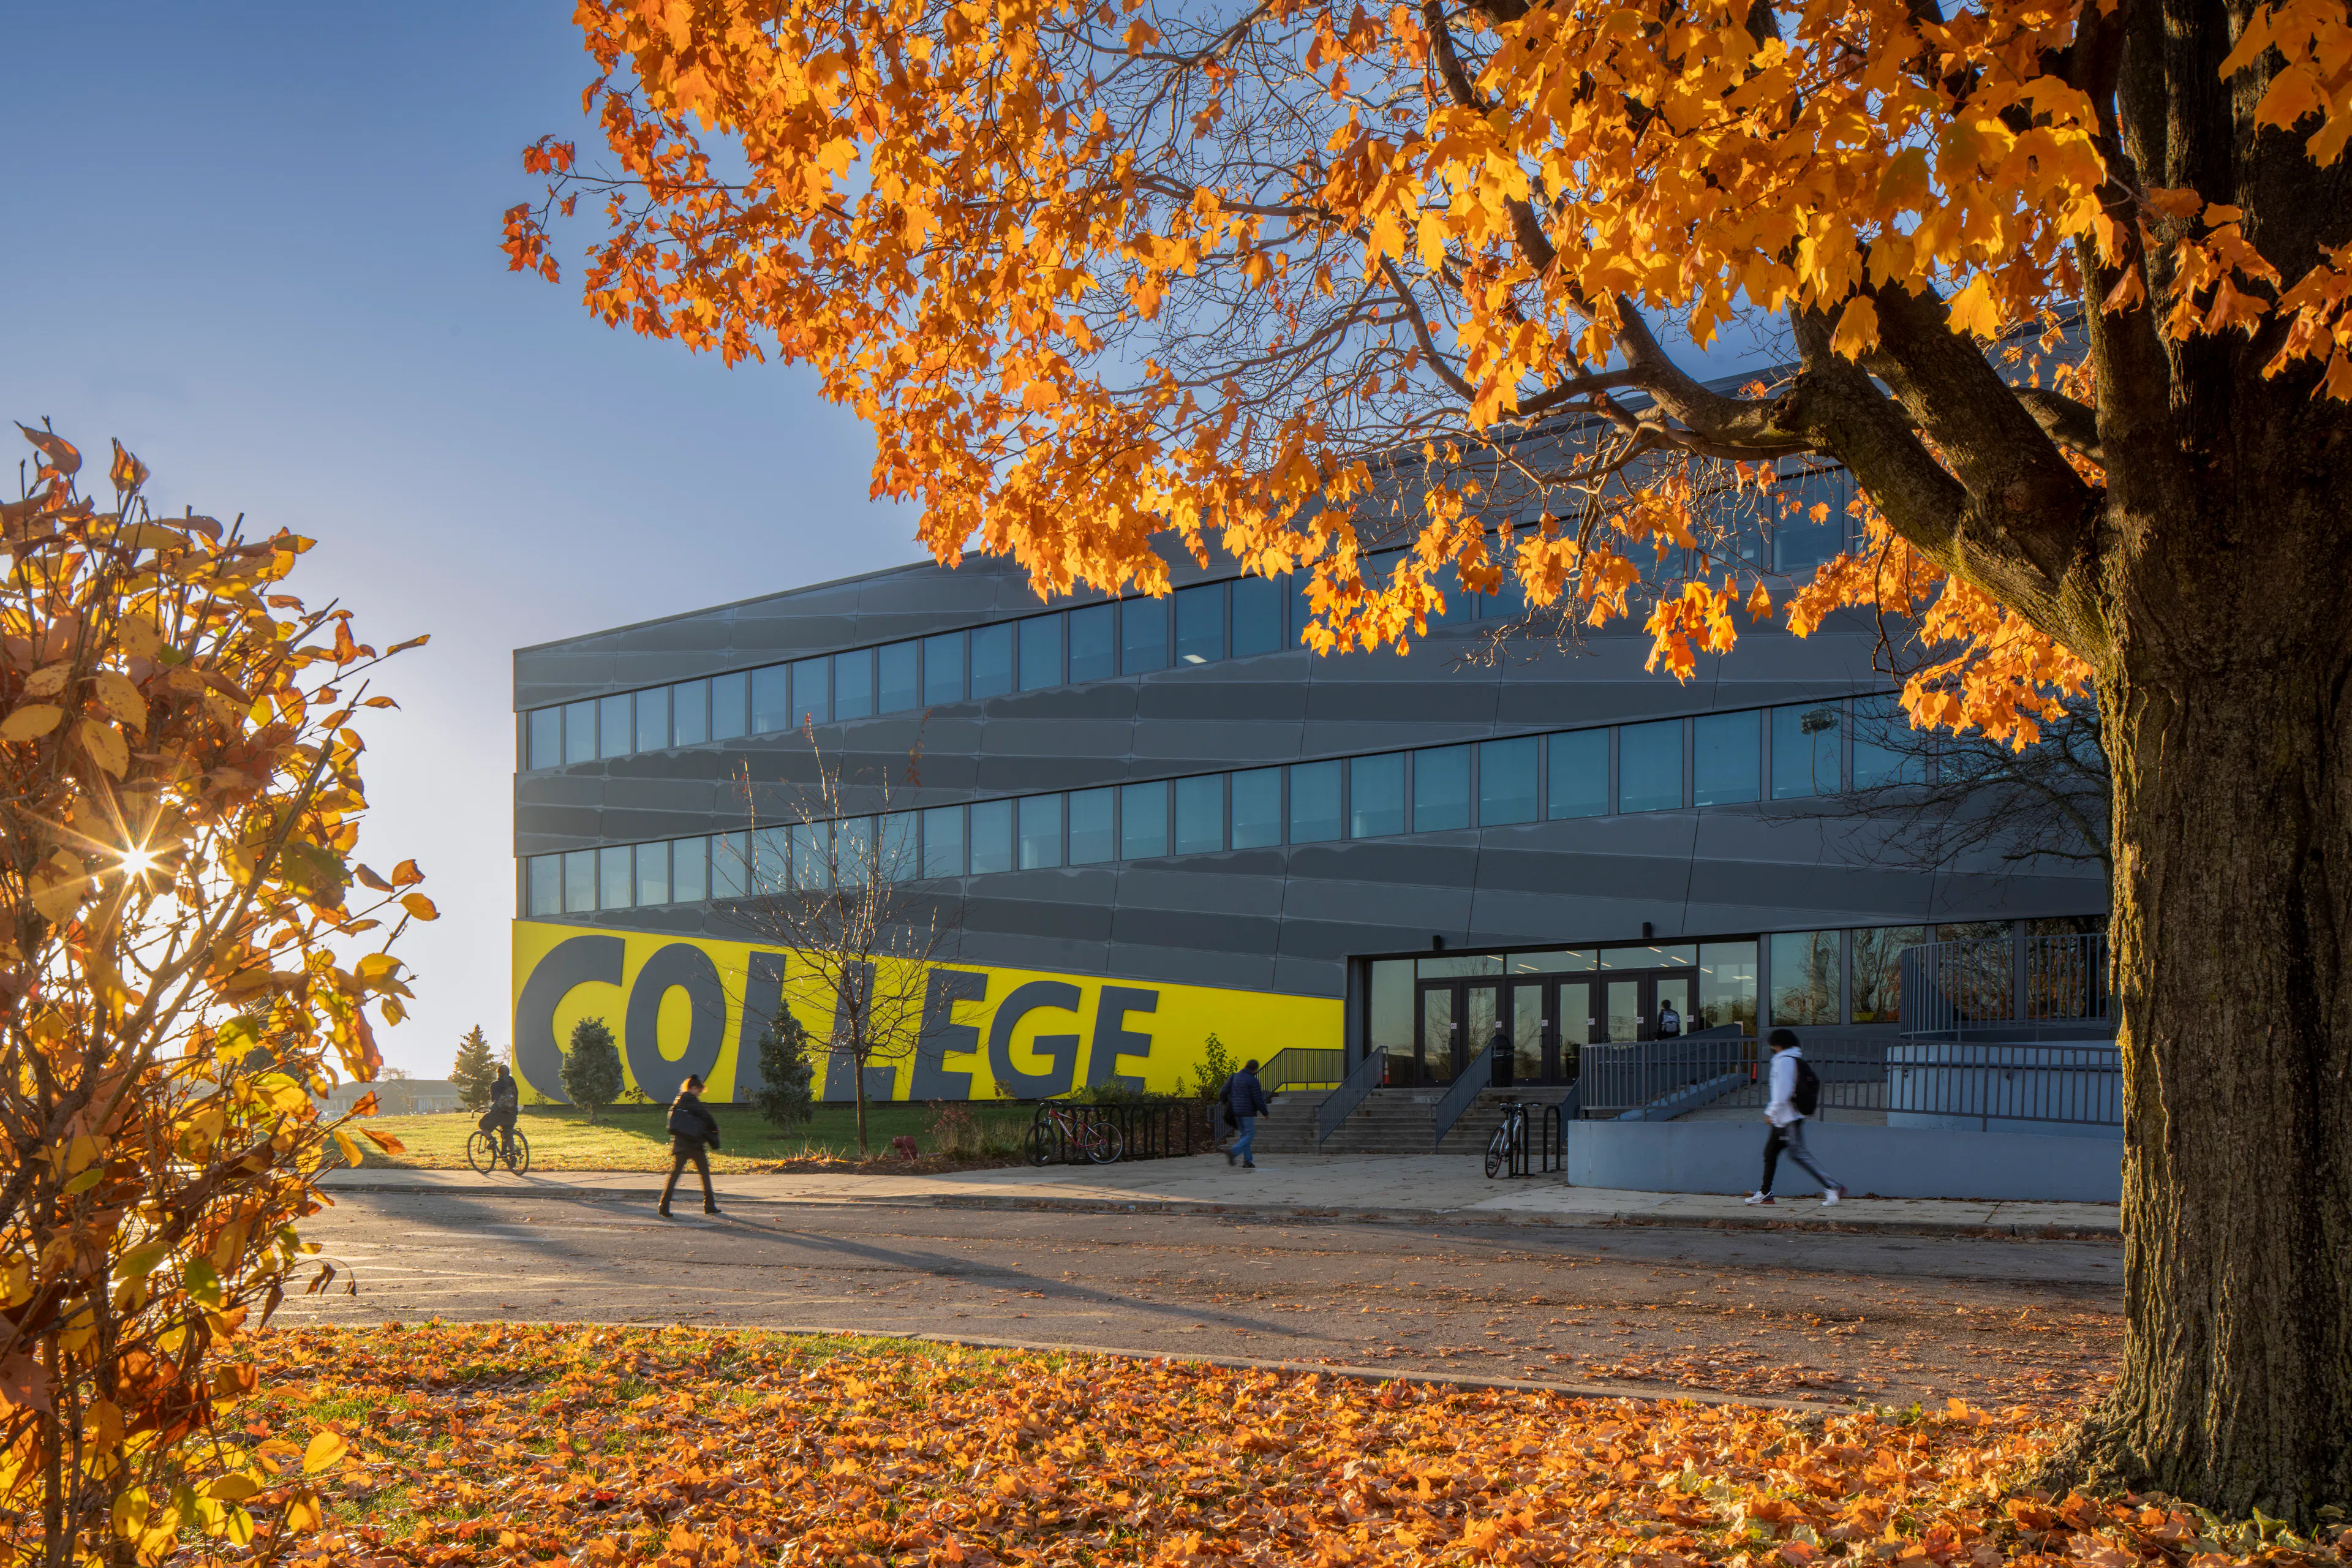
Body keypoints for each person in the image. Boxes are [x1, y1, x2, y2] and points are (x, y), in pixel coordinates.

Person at [1745, 1028, 1845, 1206]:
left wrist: (1771, 1112)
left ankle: (1833, 1186)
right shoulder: (1791, 1059)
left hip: (1788, 1118)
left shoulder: (1784, 1062)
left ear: (1778, 1044)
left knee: (1798, 1153)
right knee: (1770, 1154)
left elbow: (1783, 1092)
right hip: (1783, 1119)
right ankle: (1765, 1193)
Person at [658, 1073, 724, 1217]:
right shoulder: (691, 1100)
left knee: (675, 1175)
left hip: (681, 1144)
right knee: (704, 1174)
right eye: (699, 1090)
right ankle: (709, 1205)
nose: (700, 1093)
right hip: (694, 1145)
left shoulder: (679, 1101)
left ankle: (664, 1205)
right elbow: (705, 1115)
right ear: (694, 1088)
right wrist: (715, 1128)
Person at [1223, 1058, 1270, 1169]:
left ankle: (1248, 1161)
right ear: (1255, 1070)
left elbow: (1223, 1092)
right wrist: (1265, 1113)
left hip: (1235, 1111)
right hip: (1247, 1112)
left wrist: (1228, 1104)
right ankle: (1233, 1151)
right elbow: (1258, 1099)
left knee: (1244, 1136)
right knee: (1250, 1135)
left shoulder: (1235, 1077)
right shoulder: (1253, 1080)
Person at [485, 1064, 520, 1165]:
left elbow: (494, 1100)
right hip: (512, 1113)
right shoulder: (512, 1082)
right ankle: (511, 1155)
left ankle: (492, 1141)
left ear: (499, 1074)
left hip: (499, 1114)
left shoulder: (495, 1084)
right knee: (508, 1134)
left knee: (482, 1124)